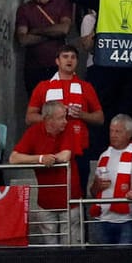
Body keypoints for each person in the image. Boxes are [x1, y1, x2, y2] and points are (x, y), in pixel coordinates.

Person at [11, 101, 88, 245]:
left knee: (72, 248)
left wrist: (48, 158)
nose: (65, 121)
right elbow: (13, 158)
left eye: (65, 117)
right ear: (48, 119)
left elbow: (65, 155)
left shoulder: (68, 128)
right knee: (50, 249)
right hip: (45, 202)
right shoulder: (33, 132)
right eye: (60, 118)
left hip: (70, 201)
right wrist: (40, 158)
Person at [85, 114, 132, 245]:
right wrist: (97, 185)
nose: (113, 135)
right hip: (102, 218)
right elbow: (93, 192)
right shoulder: (104, 155)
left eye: (118, 131)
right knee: (105, 261)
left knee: (124, 260)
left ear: (129, 133)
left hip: (127, 220)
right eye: (111, 131)